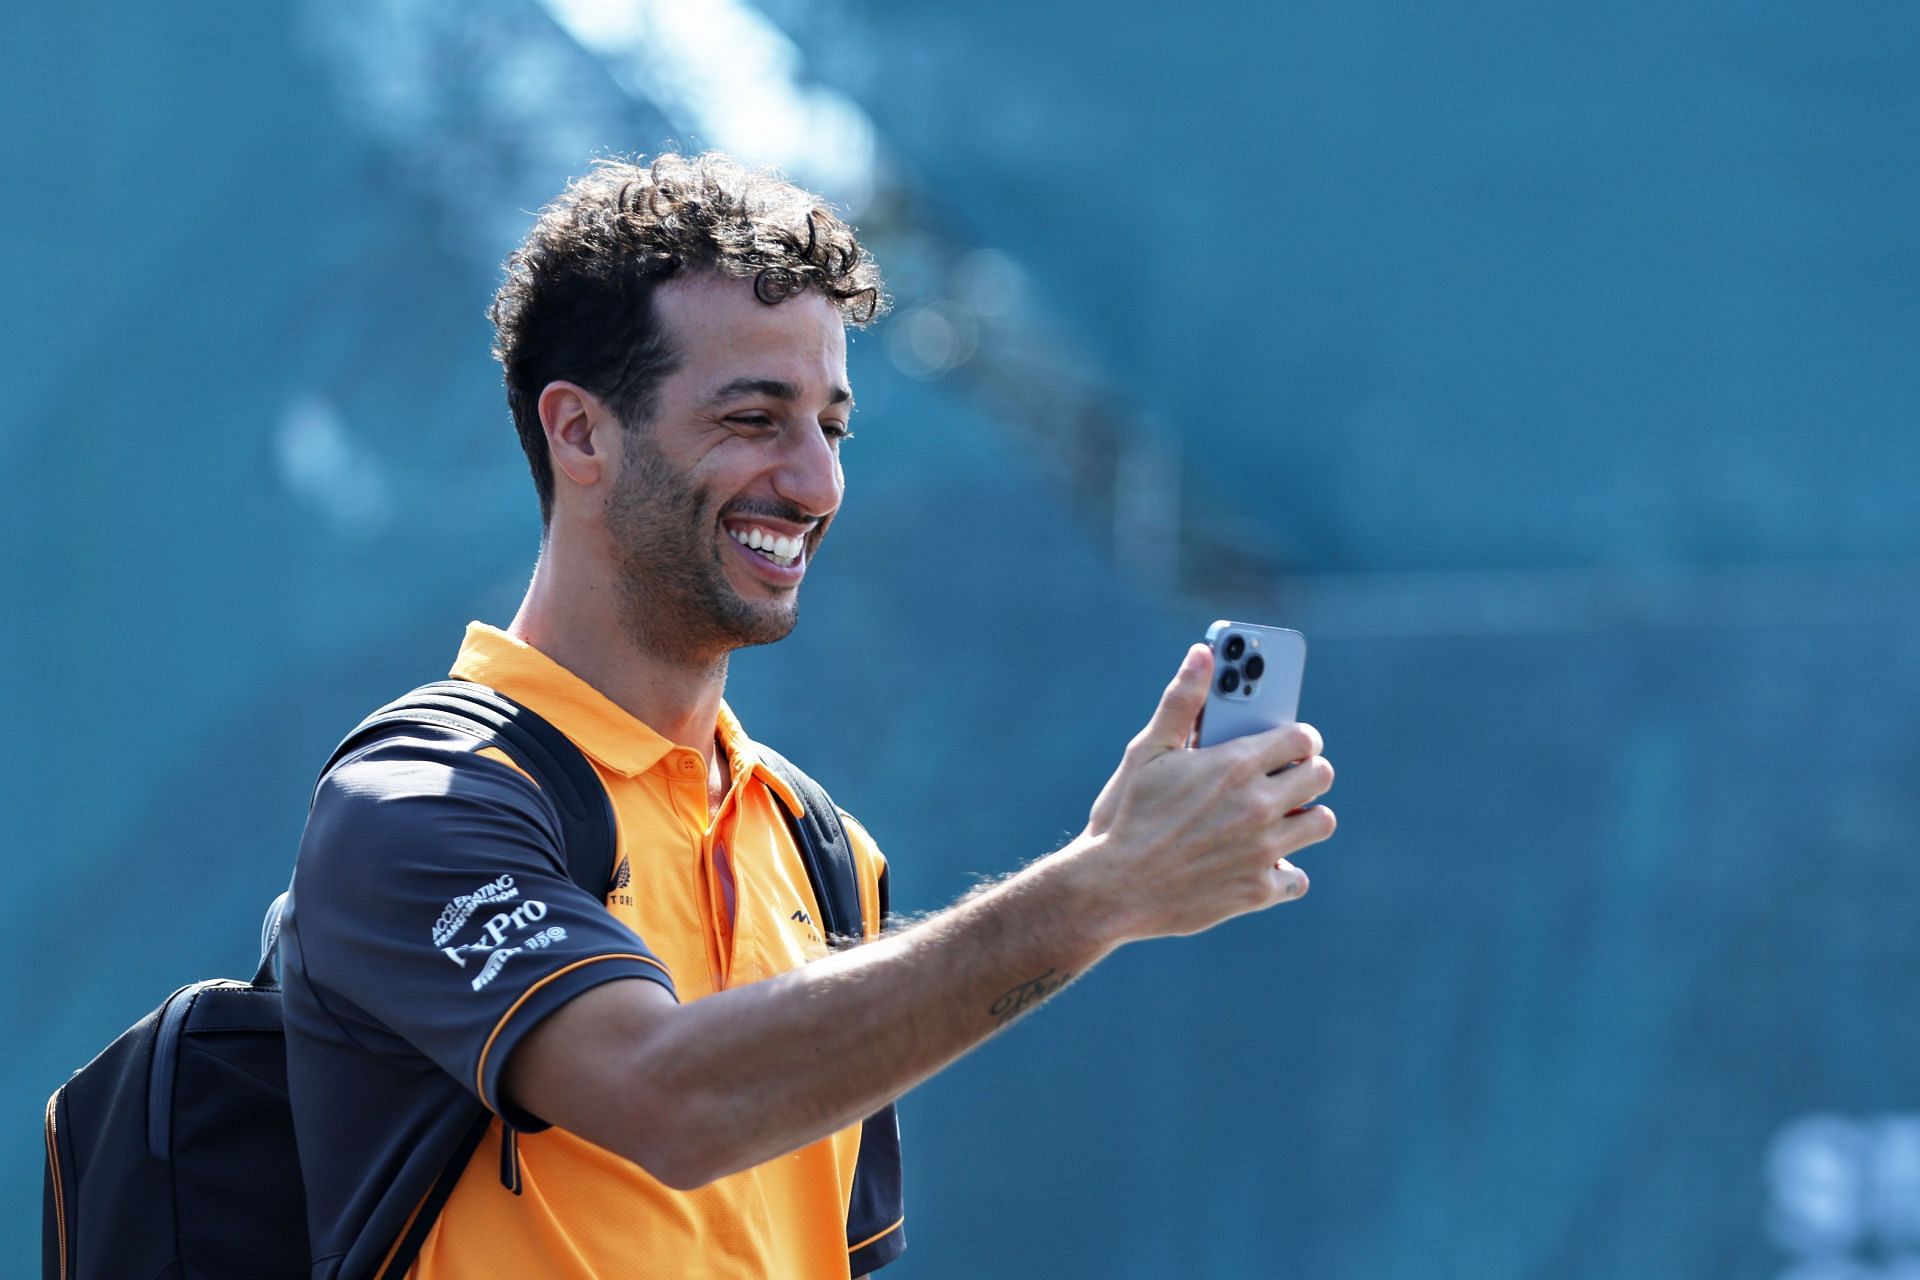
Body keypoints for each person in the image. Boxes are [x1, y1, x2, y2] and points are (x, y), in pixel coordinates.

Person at [281, 151, 1337, 1280]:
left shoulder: (819, 842)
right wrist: (1099, 888)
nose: (818, 482)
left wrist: (1103, 888)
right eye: (754, 417)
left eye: (833, 426)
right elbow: (670, 1098)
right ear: (580, 433)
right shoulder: (418, 799)